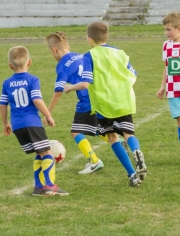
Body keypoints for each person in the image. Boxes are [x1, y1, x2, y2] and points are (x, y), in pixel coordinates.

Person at [64, 21, 147, 187]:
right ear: (106, 36)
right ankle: (136, 151)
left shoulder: (89, 56)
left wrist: (69, 87)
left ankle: (132, 175)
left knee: (112, 137)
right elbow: (133, 74)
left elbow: (86, 82)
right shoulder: (120, 53)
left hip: (103, 103)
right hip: (123, 100)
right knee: (129, 134)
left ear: (89, 39)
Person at [45, 31, 128, 175]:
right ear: (68, 46)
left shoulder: (62, 66)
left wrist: (48, 112)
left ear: (54, 50)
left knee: (76, 132)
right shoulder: (81, 55)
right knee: (97, 128)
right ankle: (119, 142)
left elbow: (58, 91)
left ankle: (94, 161)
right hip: (101, 97)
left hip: (86, 101)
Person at [0, 45, 68, 196]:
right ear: (29, 62)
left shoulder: (7, 83)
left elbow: (3, 105)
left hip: (17, 125)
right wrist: (48, 115)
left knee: (39, 152)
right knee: (47, 153)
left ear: (10, 66)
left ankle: (38, 187)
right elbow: (36, 99)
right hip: (32, 123)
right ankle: (49, 185)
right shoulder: (32, 80)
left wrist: (5, 124)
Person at [157, 11, 180, 141]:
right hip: (173, 90)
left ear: (179, 28)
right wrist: (162, 86)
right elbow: (167, 67)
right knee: (179, 120)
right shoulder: (166, 45)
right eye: (165, 29)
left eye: (168, 29)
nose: (166, 33)